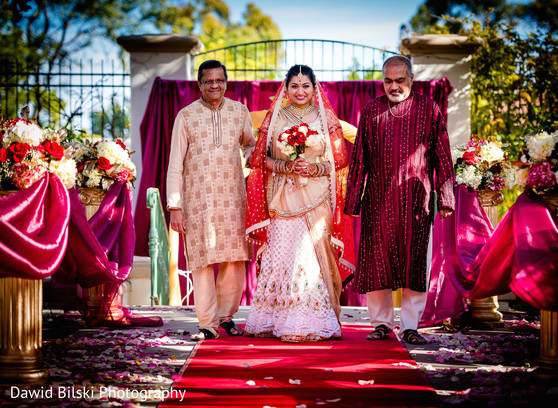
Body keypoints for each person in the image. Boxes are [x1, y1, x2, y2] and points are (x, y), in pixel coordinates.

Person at [344, 55, 455, 344]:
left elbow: (442, 154)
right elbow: (359, 160)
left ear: (411, 79)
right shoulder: (371, 111)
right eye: (388, 81)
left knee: (414, 263)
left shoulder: (429, 109)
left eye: (399, 80)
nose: (393, 86)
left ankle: (410, 326)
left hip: (417, 201)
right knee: (377, 261)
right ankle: (381, 323)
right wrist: (353, 201)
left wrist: (445, 198)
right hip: (378, 201)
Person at [245, 64, 355, 342]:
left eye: (306, 85)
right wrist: (287, 166)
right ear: (286, 88)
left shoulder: (324, 118)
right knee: (284, 254)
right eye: (294, 85)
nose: (300, 90)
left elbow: (340, 159)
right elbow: (260, 159)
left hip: (317, 197)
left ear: (314, 88)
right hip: (284, 196)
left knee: (311, 257)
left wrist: (314, 169)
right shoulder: (276, 118)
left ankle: (313, 320)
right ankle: (278, 320)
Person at [166, 59, 256, 340]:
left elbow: (250, 144)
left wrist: (265, 153)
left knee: (234, 260)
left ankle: (227, 317)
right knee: (202, 262)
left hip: (232, 198)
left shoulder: (239, 111)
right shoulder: (187, 115)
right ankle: (207, 323)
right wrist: (175, 206)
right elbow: (174, 164)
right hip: (198, 201)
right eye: (209, 81)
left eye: (219, 80)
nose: (214, 85)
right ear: (200, 84)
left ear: (226, 82)